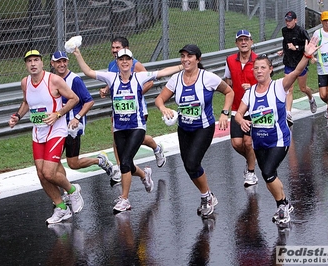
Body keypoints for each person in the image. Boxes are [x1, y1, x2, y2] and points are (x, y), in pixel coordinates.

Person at [73, 47, 182, 213]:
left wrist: (181, 66)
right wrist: (78, 54)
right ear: (117, 62)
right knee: (128, 164)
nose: (124, 62)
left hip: (136, 126)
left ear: (132, 63)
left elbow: (161, 72)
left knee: (123, 163)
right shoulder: (111, 78)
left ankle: (124, 199)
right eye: (121, 59)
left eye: (127, 59)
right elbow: (88, 71)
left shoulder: (139, 77)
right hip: (119, 128)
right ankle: (145, 175)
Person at [234, 36, 320, 224]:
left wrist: (306, 55)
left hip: (279, 141)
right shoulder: (250, 93)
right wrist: (241, 120)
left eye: (263, 67)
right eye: (256, 68)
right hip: (259, 142)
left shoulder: (279, 87)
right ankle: (284, 203)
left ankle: (283, 207)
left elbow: (297, 71)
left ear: (270, 69)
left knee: (268, 172)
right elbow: (238, 114)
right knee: (269, 176)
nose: (259, 71)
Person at [155, 44, 234, 218]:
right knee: (189, 167)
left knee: (192, 163)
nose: (185, 60)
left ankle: (206, 197)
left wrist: (224, 113)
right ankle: (208, 195)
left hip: (204, 128)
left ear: (198, 59)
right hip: (184, 129)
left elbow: (229, 92)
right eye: (183, 56)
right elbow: (160, 99)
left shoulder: (208, 78)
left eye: (189, 56)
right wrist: (163, 109)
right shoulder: (176, 79)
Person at [8, 50, 83, 224]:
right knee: (41, 175)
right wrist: (17, 117)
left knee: (49, 172)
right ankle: (62, 208)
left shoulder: (54, 80)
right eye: (29, 61)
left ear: (43, 63)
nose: (33, 64)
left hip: (56, 130)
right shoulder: (25, 82)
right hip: (38, 132)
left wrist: (58, 113)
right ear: (26, 65)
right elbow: (27, 102)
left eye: (36, 60)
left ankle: (72, 191)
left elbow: (74, 98)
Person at [100, 37, 166, 182]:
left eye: (117, 47)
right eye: (113, 47)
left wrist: (135, 94)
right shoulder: (112, 64)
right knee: (117, 138)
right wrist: (105, 89)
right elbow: (114, 81)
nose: (114, 50)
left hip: (137, 109)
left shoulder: (134, 64)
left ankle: (156, 148)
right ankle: (119, 168)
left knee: (137, 139)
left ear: (126, 49)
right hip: (118, 109)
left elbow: (149, 81)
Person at [50, 51, 116, 184]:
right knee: (52, 160)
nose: (62, 64)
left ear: (68, 62)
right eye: (58, 62)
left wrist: (77, 117)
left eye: (64, 61)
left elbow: (89, 101)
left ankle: (99, 161)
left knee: (73, 163)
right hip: (56, 126)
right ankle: (67, 190)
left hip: (71, 127)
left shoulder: (74, 80)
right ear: (53, 64)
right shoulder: (51, 79)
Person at [223, 29, 258, 187]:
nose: (244, 42)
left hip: (255, 109)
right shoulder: (230, 60)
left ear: (251, 42)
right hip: (237, 109)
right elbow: (228, 80)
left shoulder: (258, 61)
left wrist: (251, 86)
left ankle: (251, 172)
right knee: (237, 143)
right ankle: (251, 161)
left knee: (248, 142)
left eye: (246, 39)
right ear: (237, 43)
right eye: (240, 40)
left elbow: (266, 83)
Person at [277, 11, 317, 126]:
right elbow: (286, 42)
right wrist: (284, 51)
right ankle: (288, 114)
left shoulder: (301, 31)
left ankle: (311, 99)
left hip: (300, 63)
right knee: (289, 88)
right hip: (289, 63)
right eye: (286, 20)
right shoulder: (284, 31)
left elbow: (308, 46)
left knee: (303, 88)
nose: (288, 22)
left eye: (290, 20)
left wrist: (297, 47)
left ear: (295, 20)